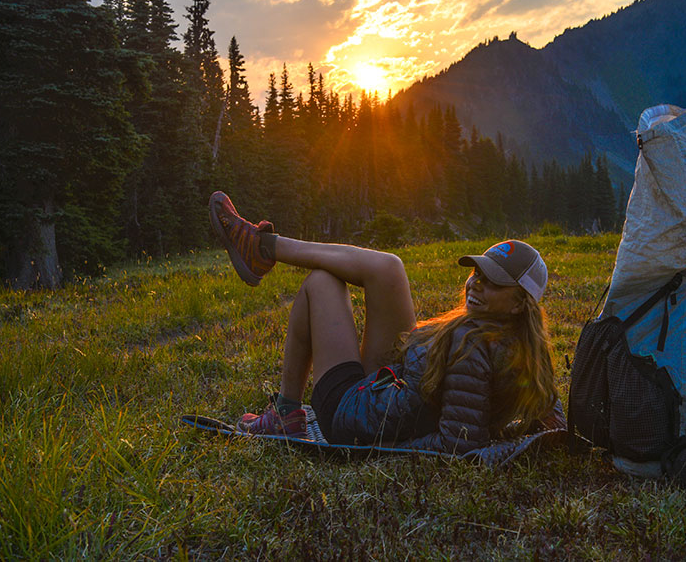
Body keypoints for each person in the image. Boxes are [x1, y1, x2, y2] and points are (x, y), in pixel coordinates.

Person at [208, 191, 565, 454]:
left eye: (493, 282)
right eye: (477, 273)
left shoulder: (472, 347)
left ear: (520, 304)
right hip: (394, 386)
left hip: (352, 415)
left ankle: (286, 410)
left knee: (321, 282)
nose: (475, 284)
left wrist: (396, 447)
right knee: (388, 267)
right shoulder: (527, 351)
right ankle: (262, 247)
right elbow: (552, 417)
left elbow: (457, 443)